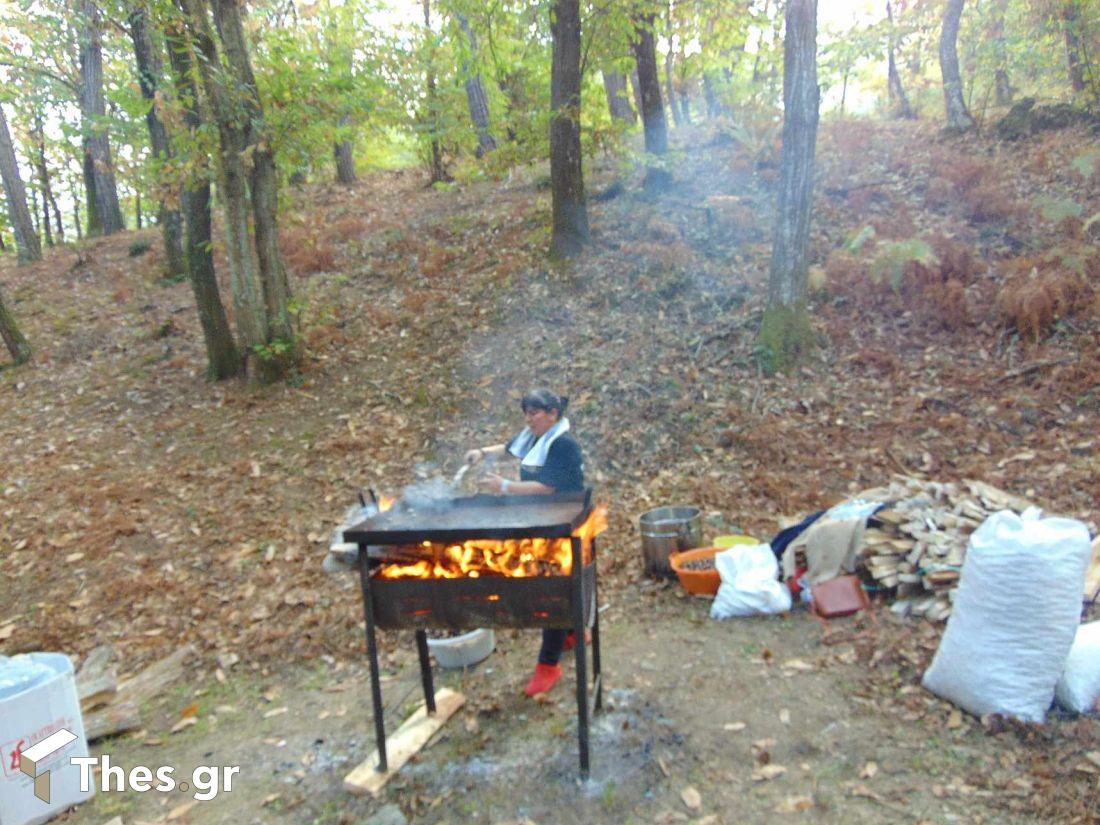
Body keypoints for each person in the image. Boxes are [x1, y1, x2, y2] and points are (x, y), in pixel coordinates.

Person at [465, 388, 585, 696]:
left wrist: (503, 486)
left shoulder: (563, 444)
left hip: (563, 520)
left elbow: (546, 487)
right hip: (542, 517)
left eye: (534, 413)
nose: (528, 419)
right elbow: (510, 449)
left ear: (552, 414)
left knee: (550, 587)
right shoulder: (537, 434)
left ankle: (549, 664)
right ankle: (571, 633)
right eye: (526, 413)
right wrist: (483, 452)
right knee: (558, 583)